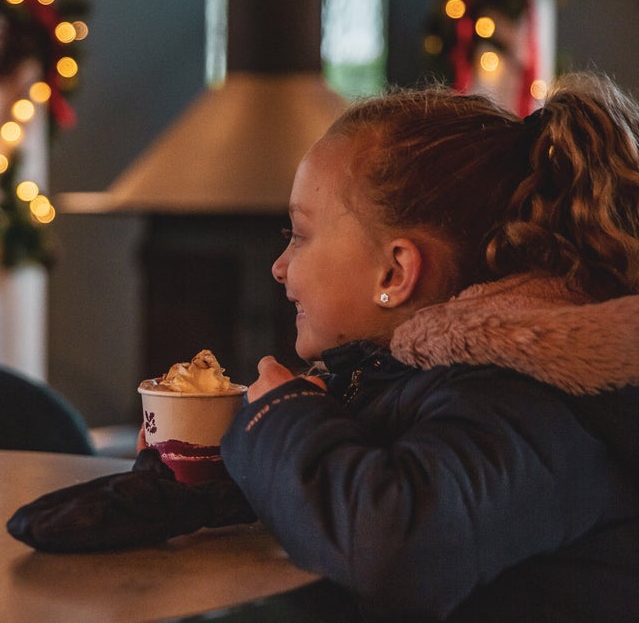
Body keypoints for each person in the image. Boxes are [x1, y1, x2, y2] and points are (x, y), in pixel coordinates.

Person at [222, 72, 639, 621]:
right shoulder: (405, 380)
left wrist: (279, 417)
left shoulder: (529, 400)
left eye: (300, 235)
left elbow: (390, 548)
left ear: (395, 271)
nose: (279, 267)